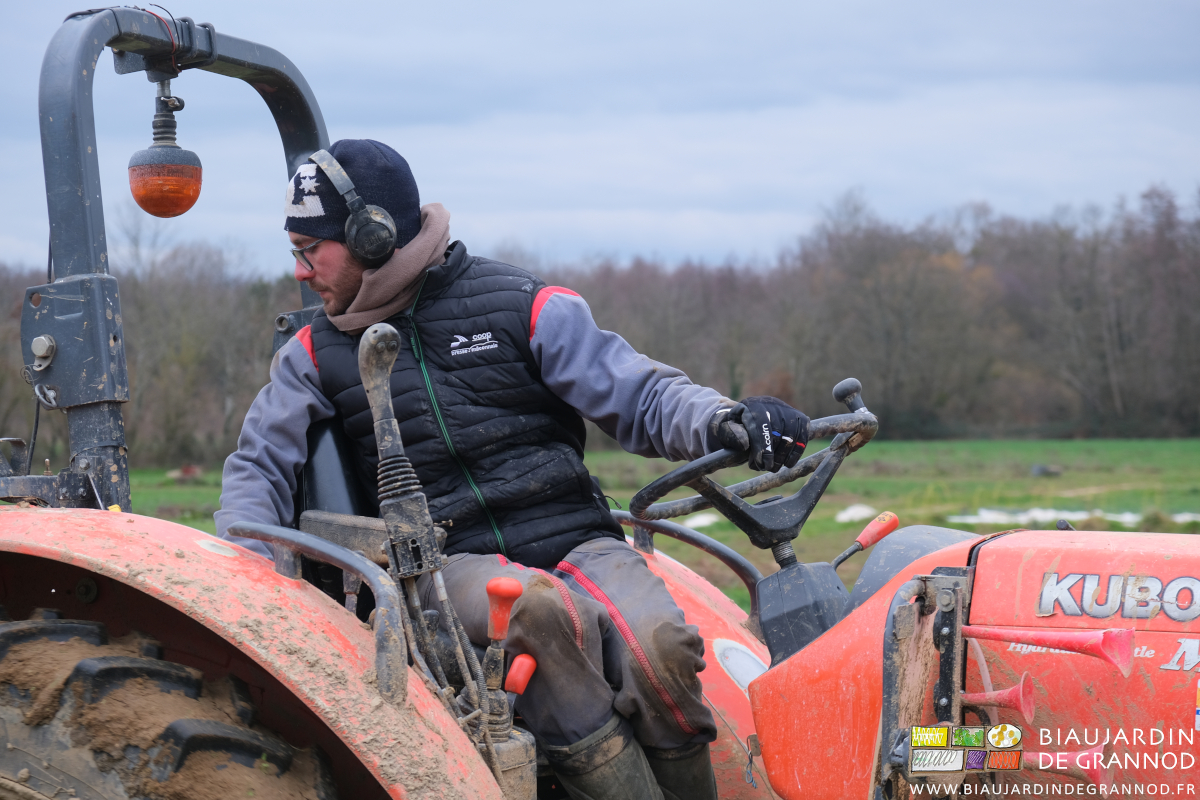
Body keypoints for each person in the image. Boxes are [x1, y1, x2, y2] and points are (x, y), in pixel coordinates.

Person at [216, 139, 810, 800]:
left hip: (575, 539)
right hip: (447, 564)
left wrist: (725, 417)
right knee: (536, 610)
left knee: (660, 645)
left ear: (371, 235)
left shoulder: (521, 305)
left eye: (308, 250)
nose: (300, 272)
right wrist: (249, 589)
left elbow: (641, 393)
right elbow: (257, 471)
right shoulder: (311, 355)